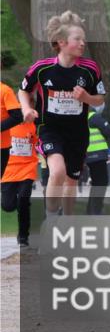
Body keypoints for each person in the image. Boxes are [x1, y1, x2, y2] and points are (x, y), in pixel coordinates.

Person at [18, 11, 105, 216]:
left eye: (84, 39)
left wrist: (86, 97)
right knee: (57, 171)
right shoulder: (42, 68)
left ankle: (67, 221)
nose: (83, 43)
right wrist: (26, 109)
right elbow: (23, 90)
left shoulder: (90, 69)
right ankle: (51, 219)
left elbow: (100, 98)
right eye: (78, 39)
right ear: (62, 42)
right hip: (49, 129)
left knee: (71, 181)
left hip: (77, 133)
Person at [1, 97, 39, 246]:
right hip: (8, 170)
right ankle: (18, 203)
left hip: (27, 168)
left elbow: (40, 143)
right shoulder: (8, 123)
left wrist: (34, 139)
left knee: (23, 200)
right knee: (7, 206)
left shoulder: (35, 125)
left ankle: (23, 236)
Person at [84, 108, 110, 214]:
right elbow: (109, 131)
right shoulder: (94, 117)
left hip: (88, 154)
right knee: (101, 182)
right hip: (97, 154)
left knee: (97, 182)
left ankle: (91, 211)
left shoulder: (81, 117)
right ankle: (95, 211)